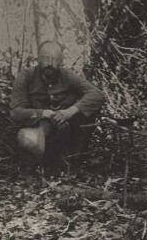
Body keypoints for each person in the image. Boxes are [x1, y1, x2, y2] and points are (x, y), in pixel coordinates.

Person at [10, 40, 106, 172]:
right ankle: (37, 167)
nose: (49, 63)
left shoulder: (67, 75)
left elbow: (97, 95)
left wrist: (69, 112)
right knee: (27, 139)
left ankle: (74, 161)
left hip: (67, 129)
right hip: (41, 128)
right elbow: (16, 112)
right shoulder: (26, 77)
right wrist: (44, 113)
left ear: (60, 61)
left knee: (88, 112)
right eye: (45, 58)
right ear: (37, 58)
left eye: (54, 59)